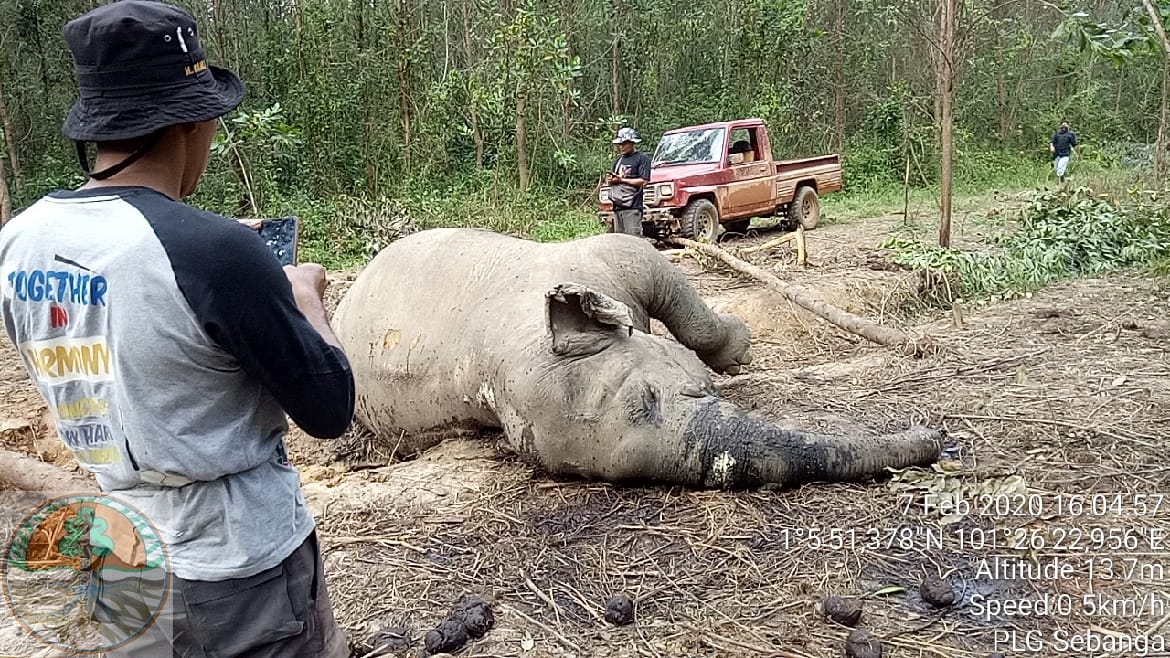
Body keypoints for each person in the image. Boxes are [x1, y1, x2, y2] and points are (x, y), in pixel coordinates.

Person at [0, 2, 354, 656]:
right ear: (195, 121)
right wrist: (304, 298)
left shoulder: (18, 242)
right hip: (240, 569)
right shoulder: (216, 254)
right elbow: (330, 410)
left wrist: (221, 256)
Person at [606, 127, 652, 237]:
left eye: (624, 144)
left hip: (632, 207)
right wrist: (611, 180)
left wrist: (622, 180)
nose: (621, 147)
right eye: (620, 144)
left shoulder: (642, 159)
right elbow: (613, 178)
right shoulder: (619, 160)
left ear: (632, 143)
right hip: (618, 207)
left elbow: (643, 181)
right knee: (620, 242)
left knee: (634, 240)